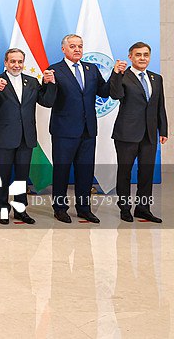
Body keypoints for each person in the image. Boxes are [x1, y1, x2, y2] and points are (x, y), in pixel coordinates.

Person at [0, 48, 57, 225]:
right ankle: (2, 209)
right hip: (5, 137)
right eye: (13, 61)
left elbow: (47, 102)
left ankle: (21, 210)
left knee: (22, 177)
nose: (16, 65)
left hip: (26, 137)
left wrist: (50, 84)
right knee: (3, 177)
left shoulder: (32, 81)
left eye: (20, 61)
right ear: (6, 63)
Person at [48, 34, 113, 223]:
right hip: (64, 131)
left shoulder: (91, 69)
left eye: (80, 46)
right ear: (64, 49)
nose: (77, 49)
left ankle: (84, 209)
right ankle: (60, 208)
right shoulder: (54, 70)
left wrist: (116, 75)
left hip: (88, 130)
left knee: (85, 172)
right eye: (73, 46)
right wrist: (48, 83)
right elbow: (48, 100)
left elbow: (104, 92)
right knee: (61, 172)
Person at [110, 42, 167, 223]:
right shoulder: (123, 76)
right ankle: (125, 208)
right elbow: (116, 95)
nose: (142, 58)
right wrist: (116, 74)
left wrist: (163, 130)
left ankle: (143, 209)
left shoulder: (156, 78)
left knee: (146, 173)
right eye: (138, 55)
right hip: (126, 134)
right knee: (125, 172)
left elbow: (160, 106)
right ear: (131, 57)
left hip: (149, 134)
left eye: (145, 55)